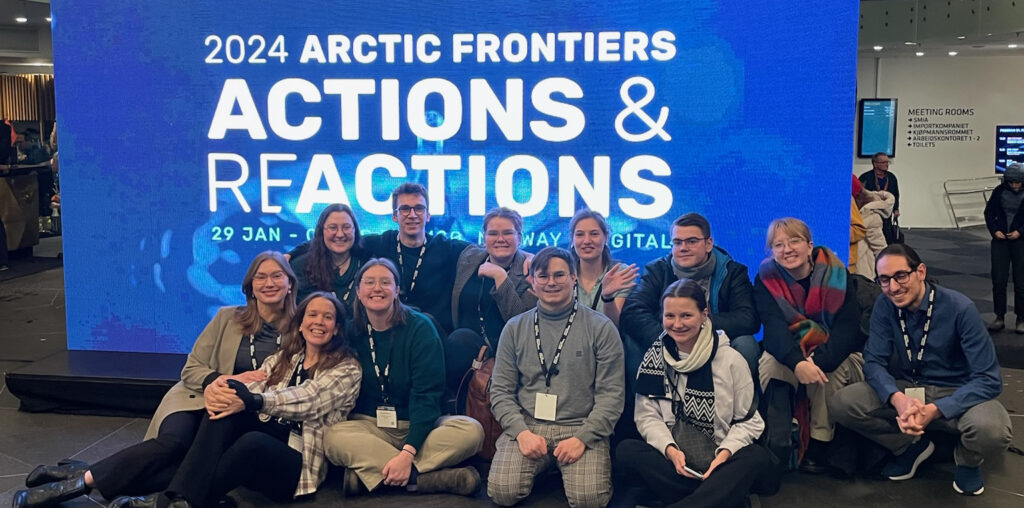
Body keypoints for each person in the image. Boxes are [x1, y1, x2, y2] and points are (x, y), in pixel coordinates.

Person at [13, 252, 297, 508]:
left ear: (290, 284)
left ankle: (84, 473)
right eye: (261, 277)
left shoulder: (301, 328)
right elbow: (192, 368)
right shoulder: (227, 318)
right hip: (195, 399)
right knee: (173, 445)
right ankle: (69, 488)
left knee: (188, 466)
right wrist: (223, 379)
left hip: (237, 414)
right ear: (249, 286)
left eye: (277, 276)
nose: (269, 283)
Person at [106, 292, 363, 508]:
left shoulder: (347, 368)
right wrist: (224, 391)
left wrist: (253, 400)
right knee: (224, 410)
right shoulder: (286, 357)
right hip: (269, 434)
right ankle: (183, 501)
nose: (319, 322)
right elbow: (254, 384)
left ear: (337, 328)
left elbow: (309, 399)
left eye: (327, 317)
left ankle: (167, 501)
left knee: (252, 442)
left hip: (298, 462)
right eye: (312, 315)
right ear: (300, 323)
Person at [830, 244, 1012, 496]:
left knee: (993, 431)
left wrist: (938, 409)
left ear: (921, 272)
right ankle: (910, 447)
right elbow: (873, 362)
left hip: (958, 391)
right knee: (843, 403)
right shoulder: (885, 305)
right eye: (884, 280)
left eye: (900, 276)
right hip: (909, 386)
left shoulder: (960, 309)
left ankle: (968, 459)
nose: (893, 287)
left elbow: (989, 380)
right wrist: (897, 398)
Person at [325, 258, 485, 496]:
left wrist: (408, 451)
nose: (377, 288)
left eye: (385, 282)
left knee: (472, 431)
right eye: (369, 282)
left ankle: (377, 476)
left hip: (420, 425)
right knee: (332, 437)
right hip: (370, 427)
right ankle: (427, 480)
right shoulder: (350, 331)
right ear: (358, 291)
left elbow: (427, 396)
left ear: (397, 290)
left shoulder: (420, 328)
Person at [615, 279, 779, 508]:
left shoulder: (731, 360)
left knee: (755, 457)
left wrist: (723, 456)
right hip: (675, 463)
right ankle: (718, 499)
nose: (677, 324)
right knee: (626, 451)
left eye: (686, 316)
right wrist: (671, 451)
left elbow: (749, 423)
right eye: (669, 316)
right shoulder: (653, 359)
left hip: (721, 462)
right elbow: (646, 417)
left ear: (704, 314)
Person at [488, 247, 625, 508]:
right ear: (532, 282)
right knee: (502, 492)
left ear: (574, 278)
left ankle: (553, 466)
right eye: (543, 276)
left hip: (580, 426)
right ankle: (548, 466)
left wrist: (583, 438)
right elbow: (501, 392)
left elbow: (612, 395)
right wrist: (521, 433)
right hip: (528, 425)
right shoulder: (515, 328)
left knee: (589, 500)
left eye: (560, 275)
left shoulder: (601, 327)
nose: (551, 282)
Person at [753, 217, 866, 472]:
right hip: (793, 349)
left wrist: (816, 362)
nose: (787, 249)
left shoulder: (837, 274)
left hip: (833, 349)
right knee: (771, 365)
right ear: (772, 251)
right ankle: (780, 434)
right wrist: (798, 362)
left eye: (794, 241)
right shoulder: (765, 279)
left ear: (809, 245)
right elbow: (773, 328)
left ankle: (820, 441)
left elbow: (846, 331)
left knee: (829, 372)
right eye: (778, 244)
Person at [288, 183, 472, 335]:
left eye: (419, 208)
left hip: (433, 335)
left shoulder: (446, 247)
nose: (412, 215)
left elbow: (481, 251)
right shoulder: (381, 243)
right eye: (405, 209)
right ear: (395, 216)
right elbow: (336, 239)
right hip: (386, 332)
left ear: (428, 215)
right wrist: (291, 254)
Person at [622, 213, 761, 386]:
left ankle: (741, 408)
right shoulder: (657, 270)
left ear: (708, 244)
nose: (683, 248)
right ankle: (642, 407)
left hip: (716, 341)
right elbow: (632, 312)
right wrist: (670, 335)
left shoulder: (733, 272)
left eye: (692, 241)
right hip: (669, 338)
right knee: (633, 341)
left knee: (746, 344)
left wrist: (695, 325)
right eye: (677, 242)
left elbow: (748, 319)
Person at [445, 207, 536, 396]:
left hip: (507, 353)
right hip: (463, 354)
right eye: (493, 233)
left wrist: (500, 277)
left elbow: (520, 322)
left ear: (519, 237)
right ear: (484, 237)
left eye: (508, 233)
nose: (500, 239)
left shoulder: (531, 271)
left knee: (460, 339)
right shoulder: (469, 257)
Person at [568, 208, 638, 326]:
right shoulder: (563, 273)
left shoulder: (619, 273)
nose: (587, 241)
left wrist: (608, 298)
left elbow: (615, 325)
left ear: (605, 237)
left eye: (594, 234)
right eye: (580, 234)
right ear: (572, 239)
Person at [290, 204, 365, 307]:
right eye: (333, 228)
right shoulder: (300, 267)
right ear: (321, 231)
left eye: (346, 227)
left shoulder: (367, 264)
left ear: (355, 230)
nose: (340, 234)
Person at [984, 162, 1024, 333]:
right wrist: (995, 231)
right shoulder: (999, 192)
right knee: (998, 279)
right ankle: (999, 316)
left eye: (1018, 182)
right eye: (1012, 182)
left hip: (1020, 241)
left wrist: (1020, 232)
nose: (1015, 185)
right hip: (1000, 241)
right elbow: (989, 213)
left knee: (1021, 281)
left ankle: (1021, 318)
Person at [854, 185, 896, 280]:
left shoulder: (870, 216)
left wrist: (890, 272)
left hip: (862, 273)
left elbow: (880, 247)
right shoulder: (857, 213)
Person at [859, 153, 901, 243]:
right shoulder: (865, 177)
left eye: (887, 162)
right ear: (875, 164)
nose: (886, 164)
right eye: (883, 162)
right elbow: (860, 195)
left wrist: (896, 209)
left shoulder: (892, 177)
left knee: (887, 235)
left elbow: (896, 194)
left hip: (886, 211)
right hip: (871, 211)